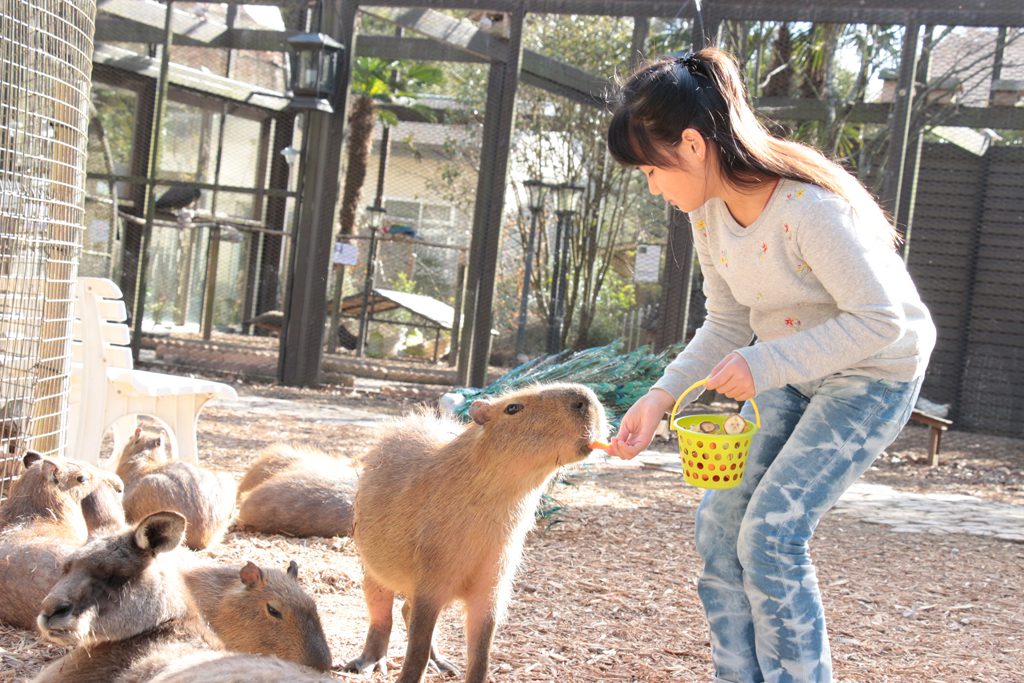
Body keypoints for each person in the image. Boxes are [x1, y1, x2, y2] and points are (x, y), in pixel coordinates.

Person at [605, 48, 936, 683]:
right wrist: (660, 396)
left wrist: (763, 364)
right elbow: (728, 323)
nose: (653, 187)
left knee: (771, 536)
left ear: (694, 146)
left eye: (651, 169)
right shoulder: (707, 215)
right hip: (787, 366)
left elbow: (880, 321)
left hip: (873, 373)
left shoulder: (810, 210)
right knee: (719, 527)